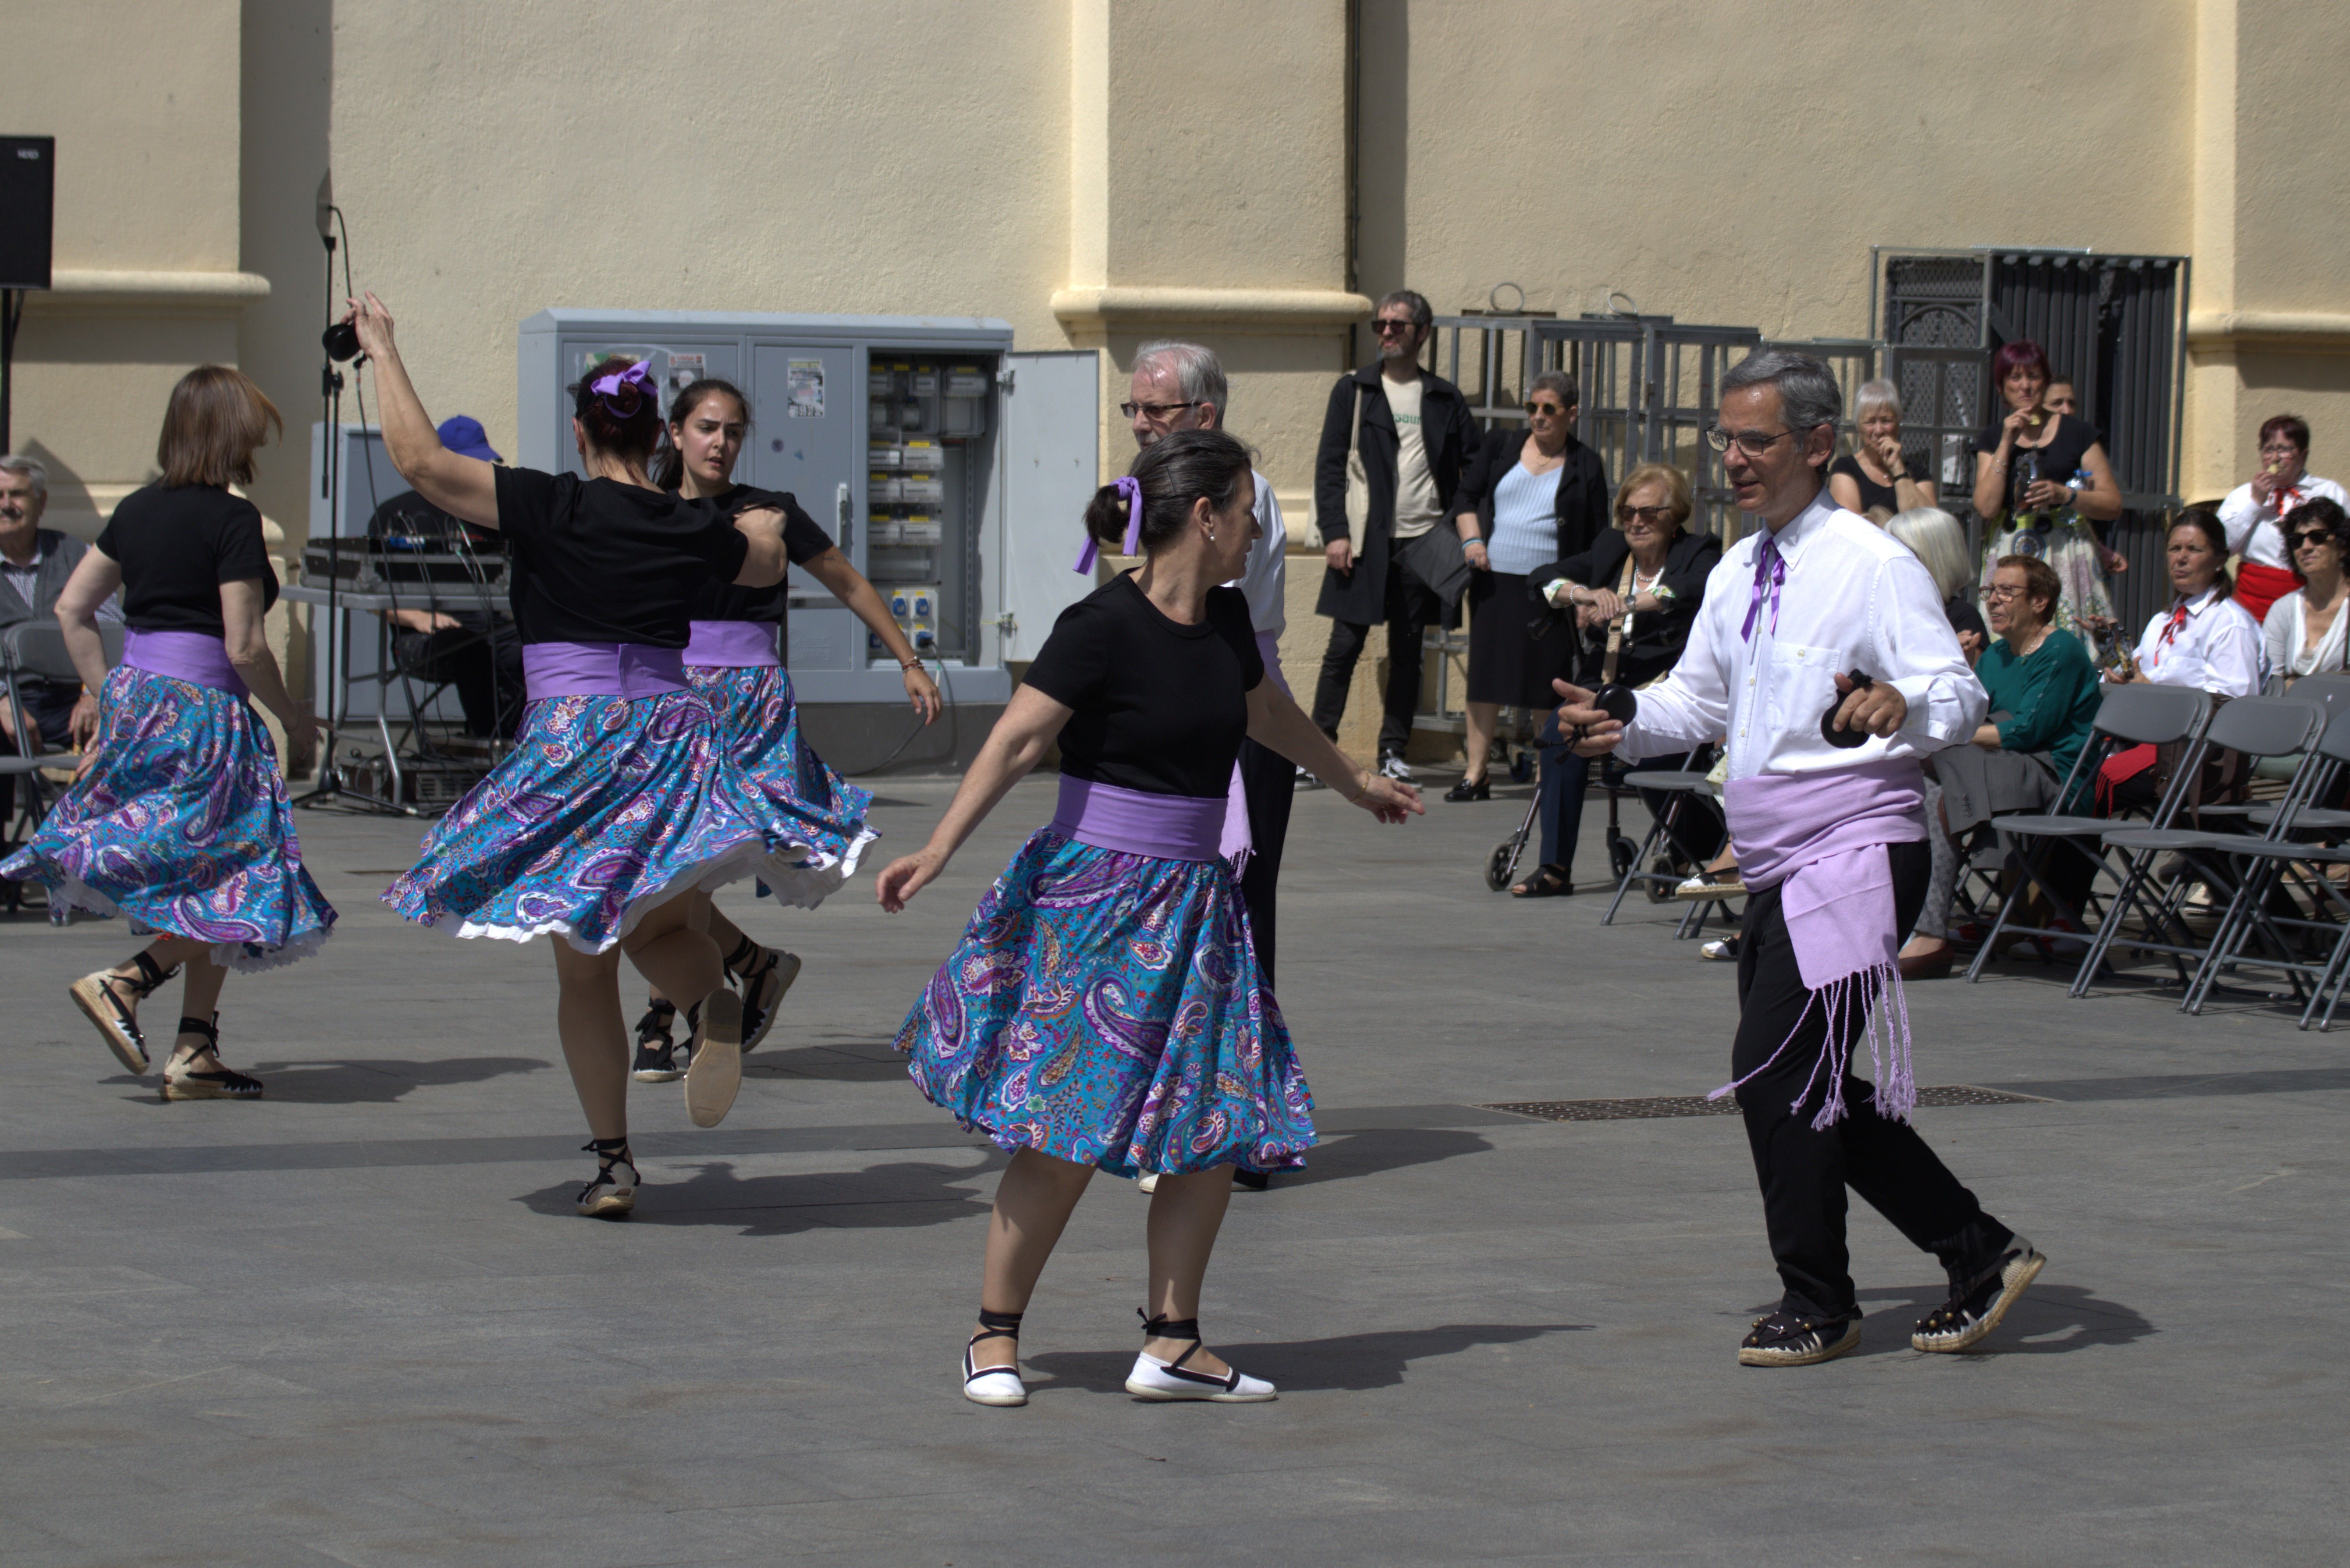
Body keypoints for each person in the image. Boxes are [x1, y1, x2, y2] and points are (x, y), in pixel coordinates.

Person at [880, 429, 1421, 1408]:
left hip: (1197, 905)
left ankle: (1172, 1343)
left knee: (1207, 1123)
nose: (1261, 527)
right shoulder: (1099, 623)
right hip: (1096, 900)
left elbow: (1271, 716)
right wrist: (938, 848)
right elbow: (1015, 741)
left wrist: (1351, 782)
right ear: (1205, 515)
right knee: (1062, 1122)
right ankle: (991, 1334)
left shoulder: (1222, 624)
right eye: (1250, 509)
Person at [1557, 349, 2043, 1368]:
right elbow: (1700, 702)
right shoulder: (1738, 567)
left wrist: (1904, 703)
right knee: (1805, 1077)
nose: (1732, 458)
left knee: (1777, 1068)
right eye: (1725, 439)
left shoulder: (1872, 565)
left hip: (1859, 851)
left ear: (1818, 446)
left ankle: (1820, 1299)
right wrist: (1623, 716)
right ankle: (1977, 1250)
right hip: (1778, 859)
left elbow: (1960, 696)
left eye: (1756, 440)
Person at [351, 293, 792, 1219]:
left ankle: (614, 1161)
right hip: (675, 737)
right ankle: (712, 996)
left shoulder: (550, 503)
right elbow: (763, 559)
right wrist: (753, 524)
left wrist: (383, 348)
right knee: (659, 928)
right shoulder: (686, 525)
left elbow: (419, 460)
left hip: (579, 738)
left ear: (584, 427)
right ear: (658, 435)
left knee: (583, 965)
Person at [2, 368, 335, 1100]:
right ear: (228, 433)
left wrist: (107, 692)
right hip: (207, 714)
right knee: (245, 874)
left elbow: (71, 609)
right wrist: (292, 715)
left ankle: (195, 1049)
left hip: (144, 703)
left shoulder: (137, 510)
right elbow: (245, 645)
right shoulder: (232, 521)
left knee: (207, 870)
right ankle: (128, 981)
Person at [627, 378, 932, 1081]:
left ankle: (670, 1013)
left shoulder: (768, 512)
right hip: (664, 702)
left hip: (745, 708)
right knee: (665, 864)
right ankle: (746, 968)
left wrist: (908, 661)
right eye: (706, 428)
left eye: (733, 430)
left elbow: (848, 582)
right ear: (674, 434)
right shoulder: (644, 512)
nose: (720, 443)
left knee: (684, 862)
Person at [1125, 340, 1294, 1005]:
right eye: (1132, 408)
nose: (1139, 423)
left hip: (1240, 713)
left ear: (1203, 413)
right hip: (1176, 711)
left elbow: (1198, 601)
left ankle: (1245, 1067)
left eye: (1154, 409)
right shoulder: (1161, 490)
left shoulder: (1242, 496)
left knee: (1238, 902)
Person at [1507, 463, 1719, 898]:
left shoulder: (1698, 551)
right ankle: (1555, 868)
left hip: (1664, 691)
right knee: (1558, 737)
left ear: (1674, 514)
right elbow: (1542, 578)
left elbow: (1694, 588)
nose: (1636, 521)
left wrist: (1628, 603)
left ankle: (1691, 852)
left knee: (1664, 757)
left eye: (1649, 512)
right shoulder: (1609, 549)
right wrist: (1582, 594)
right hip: (1601, 687)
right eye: (1628, 511)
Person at [1896, 555, 2101, 979]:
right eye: (1991, 591)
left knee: (1942, 784)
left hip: (2053, 774)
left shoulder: (2060, 650)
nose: (1993, 601)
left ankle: (1931, 932)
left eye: (2008, 592)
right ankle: (1911, 925)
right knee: (1911, 780)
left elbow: (2026, 731)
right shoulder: (1997, 656)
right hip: (1998, 765)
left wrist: (1948, 734)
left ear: (2041, 600)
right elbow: (1974, 717)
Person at [1310, 289, 1478, 778]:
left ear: (1421, 333)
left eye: (1397, 325)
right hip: (1364, 542)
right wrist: (1335, 533)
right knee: (1343, 647)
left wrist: (1464, 532)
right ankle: (1320, 747)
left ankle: (1393, 752)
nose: (1386, 332)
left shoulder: (1444, 398)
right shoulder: (1355, 390)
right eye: (1380, 325)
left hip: (1423, 544)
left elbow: (1475, 469)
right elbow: (1330, 468)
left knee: (1408, 654)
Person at [1445, 369, 1611, 800]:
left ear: (1571, 414)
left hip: (1552, 588)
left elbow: (1599, 537)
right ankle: (1476, 774)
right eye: (1532, 408)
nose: (1539, 417)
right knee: (1484, 679)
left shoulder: (1586, 464)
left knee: (1546, 683)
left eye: (1549, 410)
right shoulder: (1501, 446)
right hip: (1494, 580)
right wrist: (1473, 540)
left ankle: (1546, 775)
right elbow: (1465, 497)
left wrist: (1584, 596)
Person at [365, 415, 526, 740]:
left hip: (489, 626)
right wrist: (418, 618)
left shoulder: (488, 513)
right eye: (469, 463)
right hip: (419, 635)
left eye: (484, 464)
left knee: (537, 650)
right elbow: (371, 594)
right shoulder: (396, 517)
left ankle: (533, 745)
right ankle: (492, 746)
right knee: (472, 651)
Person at [1970, 339, 2126, 656]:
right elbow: (1985, 506)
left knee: (2068, 641)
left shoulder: (2078, 433)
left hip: (2066, 554)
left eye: (2034, 376)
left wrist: (2066, 495)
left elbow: (2112, 504)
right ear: (2001, 388)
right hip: (2012, 553)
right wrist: (2006, 442)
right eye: (2015, 378)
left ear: (2046, 380)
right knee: (2009, 642)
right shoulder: (1992, 436)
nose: (2026, 386)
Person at [0, 455, 116, 832]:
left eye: (17, 494)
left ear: (41, 502)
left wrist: (94, 692)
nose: (6, 504)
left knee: (137, 729)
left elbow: (112, 624)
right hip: (9, 701)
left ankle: (99, 852)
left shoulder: (74, 552)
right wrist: (2, 701)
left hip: (73, 699)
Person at [2109, 511, 2263, 699]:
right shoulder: (2160, 622)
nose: (2181, 558)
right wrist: (2111, 646)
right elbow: (2137, 676)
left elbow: (2233, 704)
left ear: (2220, 561)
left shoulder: (2230, 625)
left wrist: (2153, 694)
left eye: (2194, 549)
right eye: (2174, 549)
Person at [2219, 415, 2349, 625]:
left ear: (2304, 455)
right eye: (2269, 450)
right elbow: (2221, 547)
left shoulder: (2329, 492)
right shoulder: (2242, 496)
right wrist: (2255, 503)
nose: (2275, 458)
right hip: (2253, 607)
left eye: (2285, 450)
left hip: (2315, 601)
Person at [2262, 497, 2350, 686]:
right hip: (2292, 713)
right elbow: (2271, 684)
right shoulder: (2283, 609)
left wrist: (2294, 682)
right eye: (2297, 541)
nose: (2306, 547)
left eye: (2317, 537)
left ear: (2343, 547)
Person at [1886, 507, 1989, 661]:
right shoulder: (1886, 608)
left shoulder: (1961, 615)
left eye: (1901, 552)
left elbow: (1966, 679)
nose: (1889, 559)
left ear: (1933, 558)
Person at [1827, 379, 1936, 522]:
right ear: (1859, 428)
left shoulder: (1917, 474)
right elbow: (1852, 528)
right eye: (1870, 422)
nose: (1879, 431)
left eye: (1886, 421)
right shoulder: (1846, 469)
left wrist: (1898, 470)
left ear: (1898, 424)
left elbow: (1929, 525)